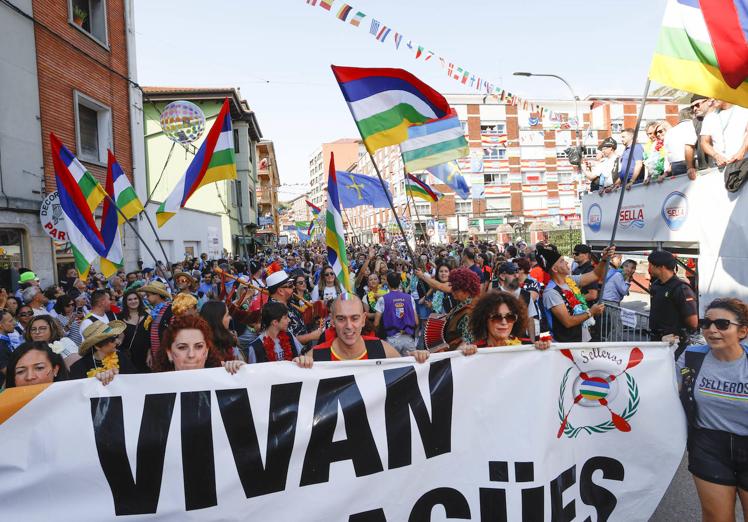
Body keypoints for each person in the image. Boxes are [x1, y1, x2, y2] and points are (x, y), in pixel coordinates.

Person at [677, 298, 748, 522]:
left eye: (722, 324)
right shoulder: (691, 356)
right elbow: (660, 389)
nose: (712, 330)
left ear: (743, 331)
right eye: (706, 323)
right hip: (708, 445)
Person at [293, 293, 430, 366]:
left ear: (364, 320)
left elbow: (404, 375)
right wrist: (299, 366)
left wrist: (416, 360)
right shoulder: (316, 356)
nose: (348, 325)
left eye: (355, 318)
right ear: (332, 321)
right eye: (341, 319)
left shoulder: (381, 349)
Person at [538, 244, 610, 342]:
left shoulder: (569, 280)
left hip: (582, 338)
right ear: (555, 269)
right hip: (567, 344)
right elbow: (567, 321)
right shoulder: (551, 292)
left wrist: (604, 259)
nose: (567, 263)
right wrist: (591, 312)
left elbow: (595, 274)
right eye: (562, 261)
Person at [648, 250, 698, 357]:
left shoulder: (681, 288)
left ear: (661, 267)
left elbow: (693, 322)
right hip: (656, 340)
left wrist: (677, 333)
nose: (649, 268)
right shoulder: (656, 285)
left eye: (651, 265)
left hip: (674, 344)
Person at [416, 266, 482, 348]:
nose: (452, 291)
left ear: (466, 289)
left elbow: (467, 343)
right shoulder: (462, 305)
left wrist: (444, 351)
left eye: (456, 289)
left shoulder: (469, 311)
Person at [468, 291, 550, 349]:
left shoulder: (527, 346)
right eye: (496, 317)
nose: (504, 322)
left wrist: (543, 350)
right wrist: (465, 355)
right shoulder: (477, 350)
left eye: (510, 317)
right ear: (484, 319)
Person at [69, 321, 137, 380]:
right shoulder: (79, 367)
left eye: (116, 337)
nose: (117, 341)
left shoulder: (121, 358)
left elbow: (134, 380)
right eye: (112, 340)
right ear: (97, 346)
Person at [374, 271, 419, 354]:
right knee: (410, 366)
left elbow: (376, 324)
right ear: (400, 282)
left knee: (393, 366)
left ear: (387, 282)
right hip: (408, 339)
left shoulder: (383, 299)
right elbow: (416, 322)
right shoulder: (410, 298)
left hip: (391, 340)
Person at [495, 261, 538, 341]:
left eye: (517, 272)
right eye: (512, 273)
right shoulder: (494, 295)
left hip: (521, 341)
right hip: (499, 342)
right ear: (503, 276)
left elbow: (530, 320)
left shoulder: (526, 295)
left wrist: (532, 342)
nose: (516, 275)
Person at [700, 99, 748, 168]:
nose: (712, 100)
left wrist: (741, 152)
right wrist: (716, 155)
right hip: (720, 167)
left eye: (715, 96)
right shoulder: (709, 117)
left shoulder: (744, 111)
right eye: (710, 97)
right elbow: (704, 142)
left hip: (743, 163)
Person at [5, 341, 69, 388]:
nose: (29, 377)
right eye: (20, 371)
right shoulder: (3, 404)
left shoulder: (74, 402)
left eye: (39, 368)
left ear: (55, 370)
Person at [117, 288, 149, 373]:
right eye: (130, 299)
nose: (133, 301)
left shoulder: (148, 316)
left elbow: (150, 337)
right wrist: (119, 339)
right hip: (128, 357)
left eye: (135, 298)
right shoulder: (119, 317)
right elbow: (119, 335)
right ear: (125, 302)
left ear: (139, 300)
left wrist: (150, 354)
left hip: (146, 357)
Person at [665, 107, 699, 179]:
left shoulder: (670, 131)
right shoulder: (692, 125)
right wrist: (690, 167)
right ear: (692, 115)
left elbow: (667, 152)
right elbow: (689, 146)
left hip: (675, 164)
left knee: (680, 189)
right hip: (690, 162)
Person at [0, 309, 15, 387]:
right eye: (10, 321)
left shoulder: (4, 341)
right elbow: (7, 372)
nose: (14, 323)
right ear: (1, 325)